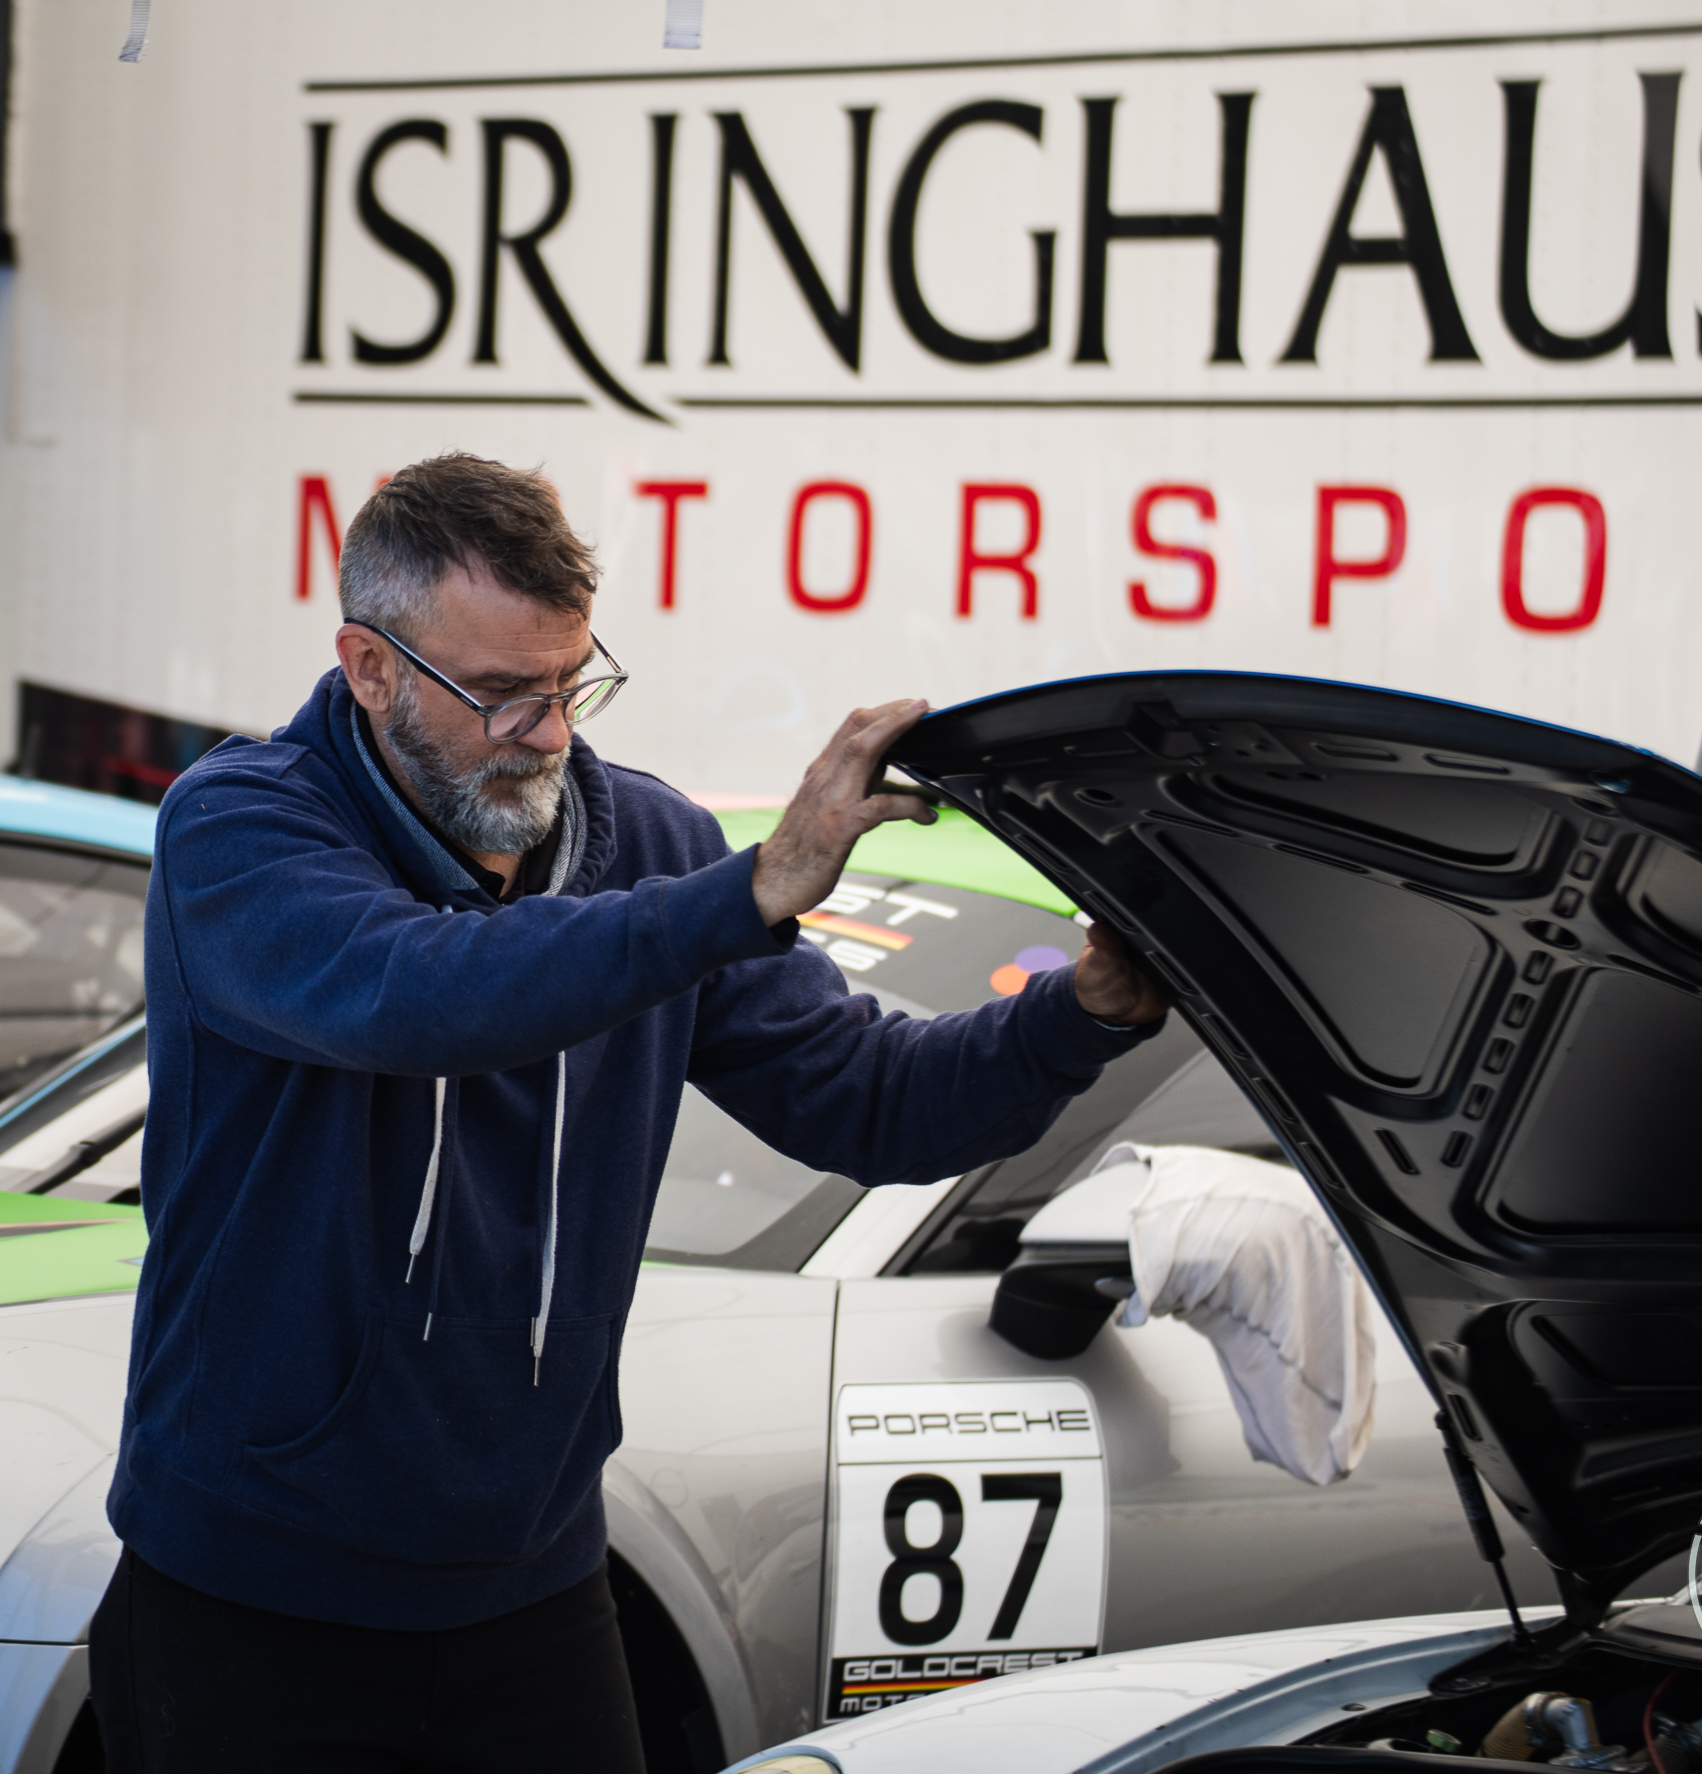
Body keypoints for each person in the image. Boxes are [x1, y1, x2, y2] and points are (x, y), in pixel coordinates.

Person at [88, 453, 1166, 1771]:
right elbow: (416, 995)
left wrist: (1082, 1014)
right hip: (251, 1601)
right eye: (500, 694)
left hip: (536, 1598)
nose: (547, 732)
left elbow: (875, 1104)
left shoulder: (649, 845)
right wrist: (743, 893)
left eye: (570, 684)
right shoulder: (241, 828)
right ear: (369, 669)